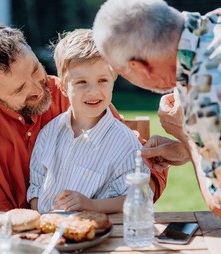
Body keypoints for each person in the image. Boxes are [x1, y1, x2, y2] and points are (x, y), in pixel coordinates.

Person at [0, 23, 168, 211]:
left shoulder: (74, 93)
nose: (37, 87)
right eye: (20, 90)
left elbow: (143, 172)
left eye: (36, 69)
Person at [93, 0, 221, 228]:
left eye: (121, 73)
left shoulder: (210, 92)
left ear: (138, 66)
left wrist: (186, 134)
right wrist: (191, 149)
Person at [27, 29, 151, 213]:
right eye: (81, 82)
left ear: (113, 81)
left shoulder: (124, 143)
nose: (93, 91)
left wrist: (92, 205)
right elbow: (36, 187)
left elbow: (139, 198)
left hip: (96, 233)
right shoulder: (49, 133)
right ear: (62, 87)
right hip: (46, 232)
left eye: (102, 80)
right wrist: (42, 221)